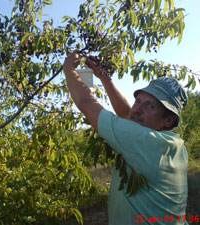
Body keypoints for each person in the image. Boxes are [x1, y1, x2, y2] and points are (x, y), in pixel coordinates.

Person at [63, 51, 189, 225]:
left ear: (169, 120)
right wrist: (105, 78)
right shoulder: (173, 144)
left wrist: (69, 69)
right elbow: (126, 113)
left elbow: (86, 103)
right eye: (138, 100)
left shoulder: (144, 141)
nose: (137, 109)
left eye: (149, 105)